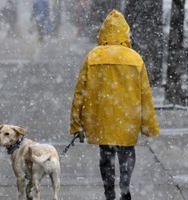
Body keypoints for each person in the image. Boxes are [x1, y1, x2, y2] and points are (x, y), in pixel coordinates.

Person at [70, 10, 160, 200]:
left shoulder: (93, 57)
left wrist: (76, 123)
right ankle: (125, 188)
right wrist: (148, 126)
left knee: (106, 155)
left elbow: (79, 93)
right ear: (125, 33)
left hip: (101, 117)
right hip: (128, 117)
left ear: (102, 33)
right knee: (127, 152)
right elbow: (145, 95)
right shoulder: (135, 58)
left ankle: (109, 192)